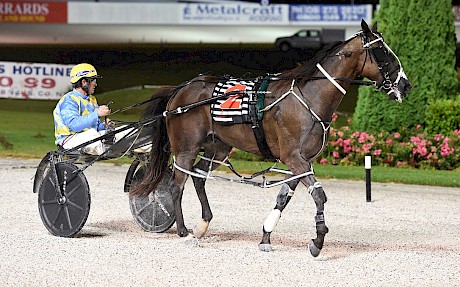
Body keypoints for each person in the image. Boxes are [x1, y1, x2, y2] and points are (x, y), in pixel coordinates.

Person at [53, 63, 113, 155]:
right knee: (93, 133)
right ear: (84, 82)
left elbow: (93, 126)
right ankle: (110, 150)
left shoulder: (92, 99)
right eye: (93, 80)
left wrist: (104, 125)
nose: (95, 84)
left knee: (116, 132)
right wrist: (97, 113)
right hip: (69, 140)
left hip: (87, 137)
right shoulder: (69, 100)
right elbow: (74, 125)